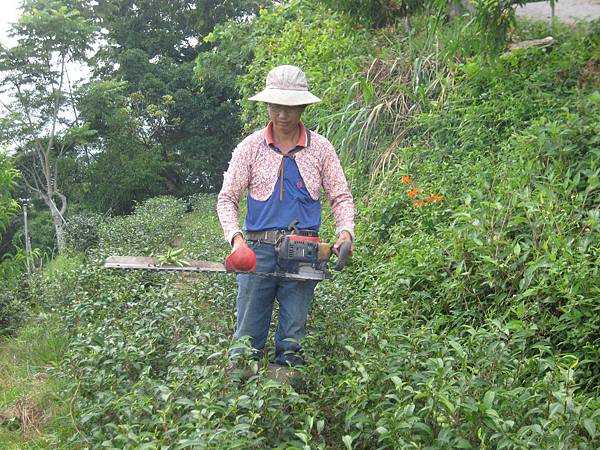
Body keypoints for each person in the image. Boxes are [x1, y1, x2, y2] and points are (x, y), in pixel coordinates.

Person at [217, 65, 354, 369]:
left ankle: (285, 399)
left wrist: (345, 232)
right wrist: (236, 241)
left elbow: (340, 196)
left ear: (303, 106)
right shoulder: (250, 148)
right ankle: (241, 396)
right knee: (247, 336)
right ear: (267, 105)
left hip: (304, 253)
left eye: (291, 107)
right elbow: (227, 199)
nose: (283, 114)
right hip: (258, 252)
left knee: (293, 337)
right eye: (277, 105)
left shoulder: (321, 149)